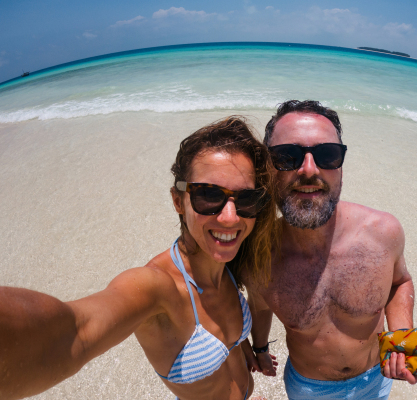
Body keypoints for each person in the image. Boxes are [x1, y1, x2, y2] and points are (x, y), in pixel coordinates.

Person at [0, 117, 278, 400]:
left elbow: (245, 315)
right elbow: (74, 332)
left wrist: (256, 349)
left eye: (246, 199)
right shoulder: (156, 287)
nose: (230, 217)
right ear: (177, 200)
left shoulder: (232, 259)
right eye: (208, 195)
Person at [244, 100, 417, 400]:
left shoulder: (383, 233)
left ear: (340, 165)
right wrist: (259, 348)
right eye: (287, 156)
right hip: (309, 389)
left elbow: (400, 282)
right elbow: (259, 306)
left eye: (327, 155)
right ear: (266, 169)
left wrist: (401, 338)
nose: (309, 170)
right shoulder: (259, 258)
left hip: (377, 380)